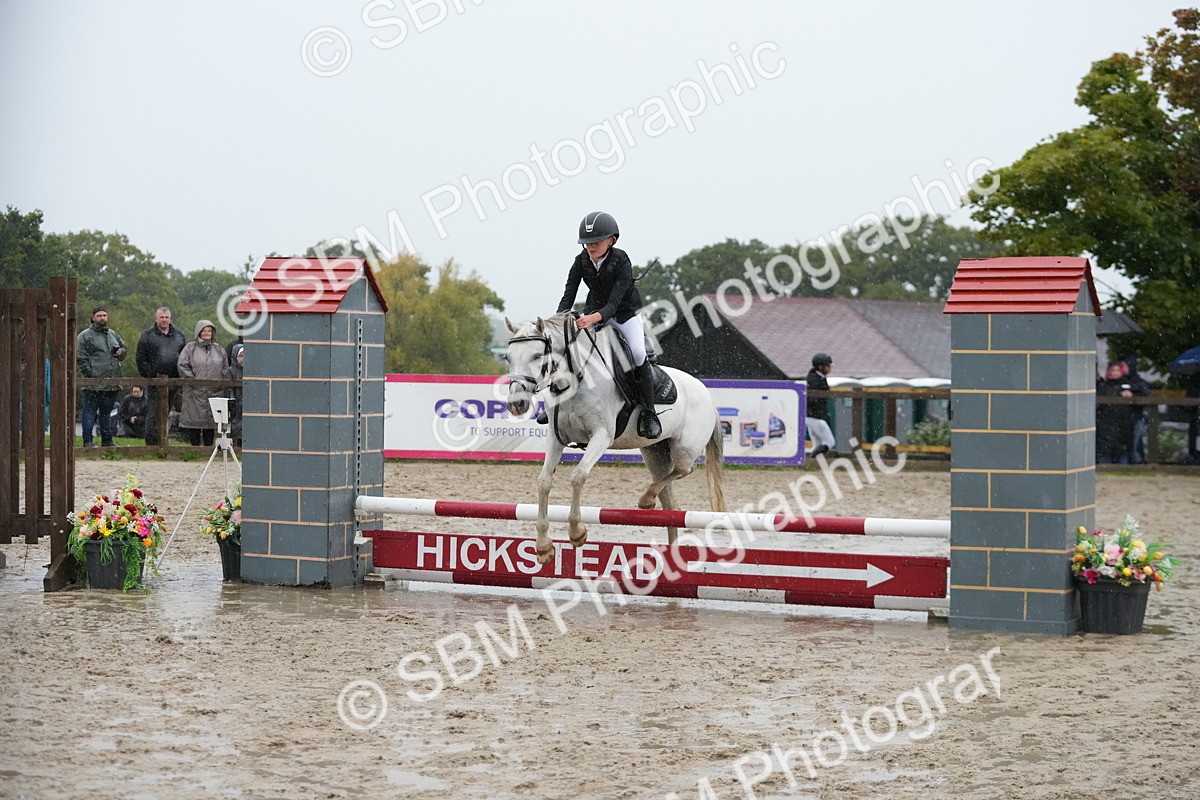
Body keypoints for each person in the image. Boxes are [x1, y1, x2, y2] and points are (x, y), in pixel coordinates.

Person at [555, 211, 661, 439]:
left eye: (596, 242)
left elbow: (614, 302)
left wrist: (594, 318)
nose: (590, 247)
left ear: (612, 239)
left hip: (624, 314)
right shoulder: (580, 262)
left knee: (638, 351)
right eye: (586, 243)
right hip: (593, 312)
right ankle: (558, 403)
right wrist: (559, 320)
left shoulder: (621, 260)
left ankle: (650, 413)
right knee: (571, 347)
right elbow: (568, 295)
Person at [76, 307, 127, 448]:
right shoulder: (84, 336)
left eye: (104, 315)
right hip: (93, 382)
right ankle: (88, 441)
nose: (102, 318)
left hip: (112, 381)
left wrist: (121, 352)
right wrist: (91, 375)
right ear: (92, 318)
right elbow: (81, 358)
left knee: (106, 413)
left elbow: (124, 350)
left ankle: (107, 440)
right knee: (89, 411)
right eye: (99, 315)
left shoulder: (112, 334)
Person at [135, 307, 186, 445]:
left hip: (173, 380)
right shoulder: (147, 336)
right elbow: (141, 358)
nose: (164, 320)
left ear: (170, 318)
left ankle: (163, 440)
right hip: (155, 380)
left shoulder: (179, 336)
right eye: (161, 317)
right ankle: (152, 443)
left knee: (166, 411)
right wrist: (150, 374)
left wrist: (180, 377)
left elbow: (184, 358)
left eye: (166, 317)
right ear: (156, 318)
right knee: (153, 412)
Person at [176, 319, 227, 447]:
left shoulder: (219, 349)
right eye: (204, 330)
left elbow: (225, 368)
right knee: (194, 422)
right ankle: (194, 449)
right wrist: (193, 381)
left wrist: (219, 383)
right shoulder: (190, 348)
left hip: (214, 392)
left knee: (210, 422)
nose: (206, 333)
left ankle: (208, 449)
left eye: (209, 330)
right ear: (198, 332)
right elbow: (182, 365)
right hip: (194, 392)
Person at [1096, 360, 1138, 464]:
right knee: (1105, 451)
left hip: (1123, 424)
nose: (1115, 372)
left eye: (1117, 370)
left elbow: (1143, 394)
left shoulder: (1130, 385)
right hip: (1106, 423)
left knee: (1122, 452)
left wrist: (1132, 395)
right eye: (1112, 370)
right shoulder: (1103, 386)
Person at [805, 352, 836, 458]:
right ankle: (810, 459)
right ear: (820, 367)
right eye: (828, 366)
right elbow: (813, 398)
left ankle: (811, 463)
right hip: (815, 416)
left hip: (813, 416)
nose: (830, 368)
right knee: (830, 442)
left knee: (817, 445)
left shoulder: (819, 377)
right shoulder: (814, 379)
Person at [223, 343, 244, 447]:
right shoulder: (230, 371)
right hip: (236, 404)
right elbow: (228, 388)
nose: (244, 358)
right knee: (236, 426)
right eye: (241, 355)